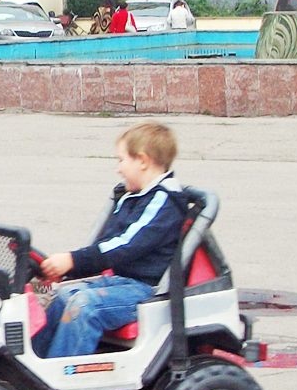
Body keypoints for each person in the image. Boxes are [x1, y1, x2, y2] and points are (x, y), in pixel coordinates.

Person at [32, 121, 187, 359]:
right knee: (56, 295)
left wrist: (73, 260)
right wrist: (64, 271)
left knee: (83, 306)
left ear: (143, 161)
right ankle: (33, 371)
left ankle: (61, 382)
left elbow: (125, 245)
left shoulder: (164, 201)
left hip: (145, 289)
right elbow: (104, 244)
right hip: (119, 282)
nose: (119, 169)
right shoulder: (133, 196)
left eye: (121, 160)